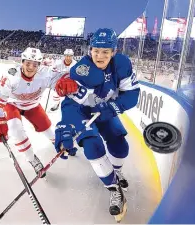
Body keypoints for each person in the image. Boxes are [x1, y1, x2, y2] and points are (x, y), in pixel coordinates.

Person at [54, 28, 140, 220]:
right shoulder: (81, 70)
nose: (99, 56)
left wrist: (113, 108)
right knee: (93, 147)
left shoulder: (122, 64)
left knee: (120, 145)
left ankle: (115, 173)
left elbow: (133, 95)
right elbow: (70, 103)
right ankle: (113, 187)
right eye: (96, 51)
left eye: (105, 52)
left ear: (114, 52)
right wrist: (66, 124)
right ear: (89, 50)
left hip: (106, 110)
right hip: (83, 112)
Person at [0, 47, 78, 178]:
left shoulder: (45, 74)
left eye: (35, 64)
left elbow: (59, 82)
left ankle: (59, 143)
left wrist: (66, 84)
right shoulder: (11, 76)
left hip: (33, 106)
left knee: (47, 128)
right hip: (12, 105)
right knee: (15, 130)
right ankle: (32, 159)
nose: (31, 67)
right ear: (22, 62)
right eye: (28, 63)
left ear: (39, 65)